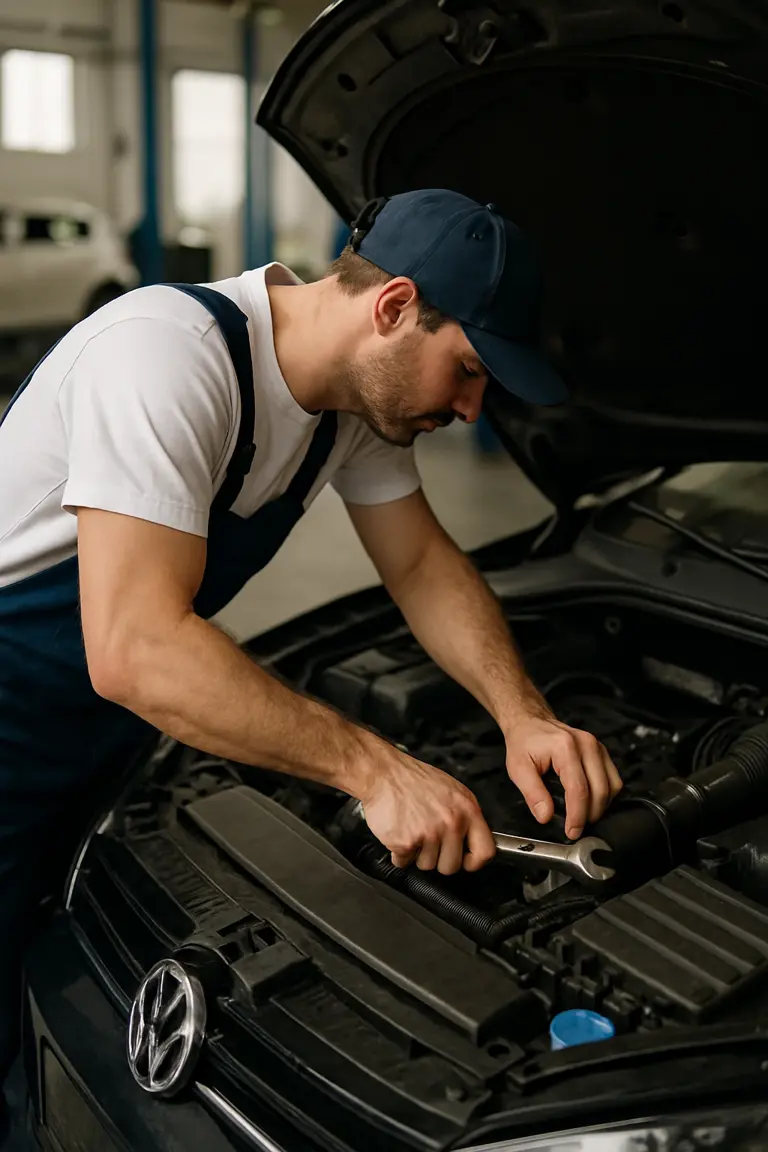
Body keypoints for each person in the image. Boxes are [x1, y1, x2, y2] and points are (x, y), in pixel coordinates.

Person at [0, 188, 622, 1084]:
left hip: (96, 736)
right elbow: (136, 647)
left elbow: (421, 565)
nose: (474, 409)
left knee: (55, 994)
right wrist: (377, 770)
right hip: (17, 723)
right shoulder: (165, 358)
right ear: (395, 307)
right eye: (469, 370)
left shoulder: (348, 411)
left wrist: (523, 715)